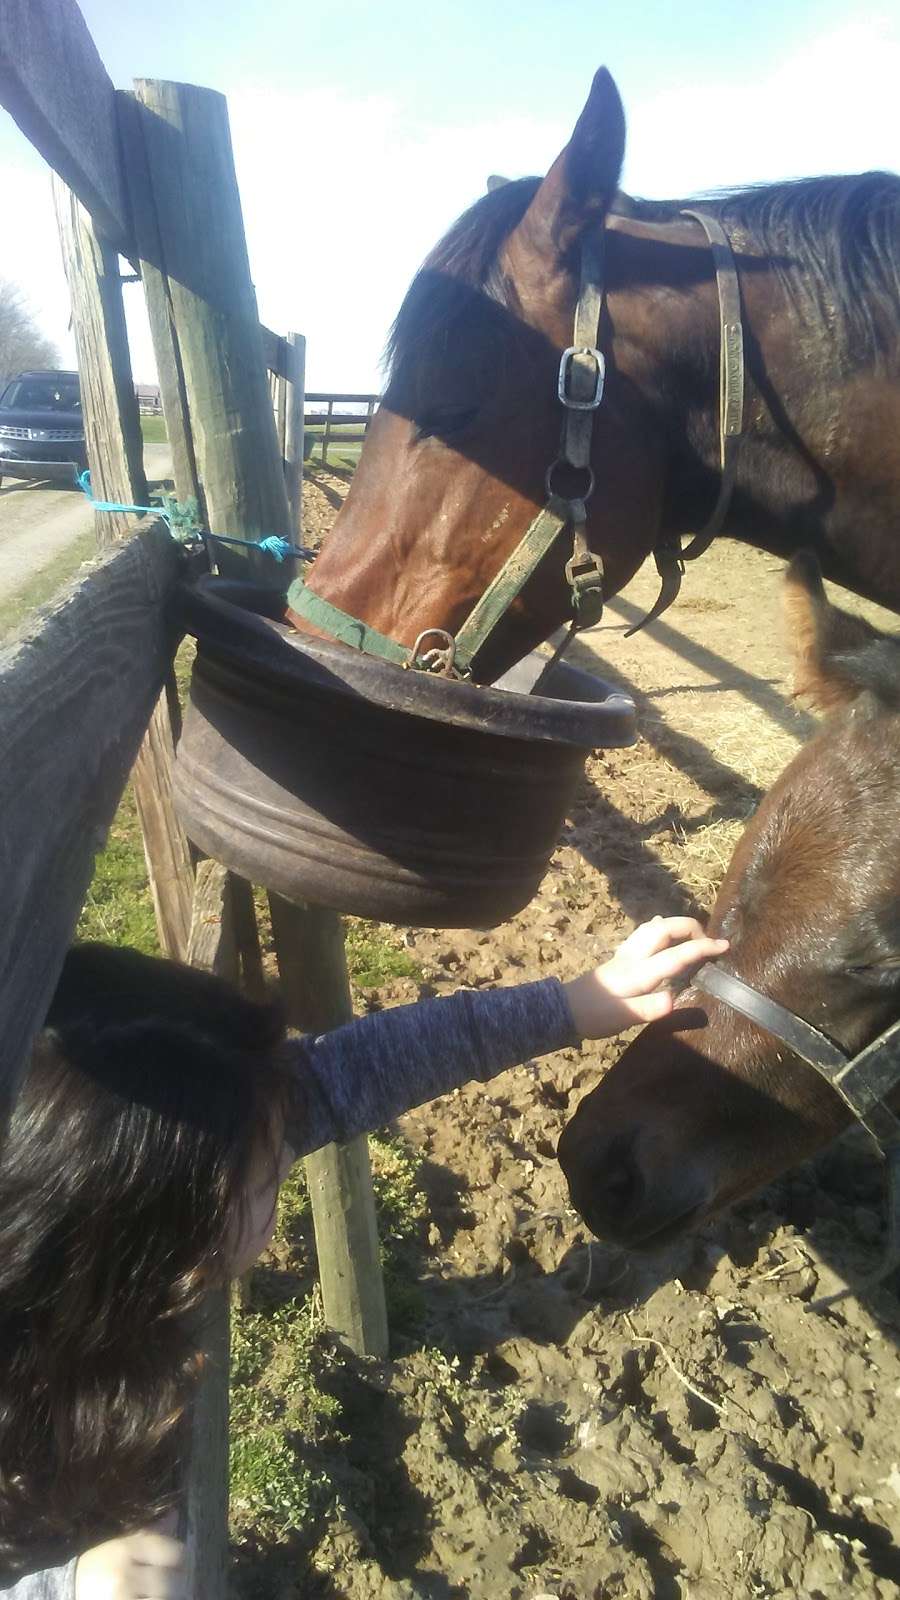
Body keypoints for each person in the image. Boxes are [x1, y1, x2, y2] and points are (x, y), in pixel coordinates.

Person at [0, 915, 726, 1599]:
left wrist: (577, 1002)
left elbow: (343, 1075)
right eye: (267, 1175)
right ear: (144, 1241)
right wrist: (69, 1587)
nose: (287, 1157)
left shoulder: (95, 1263)